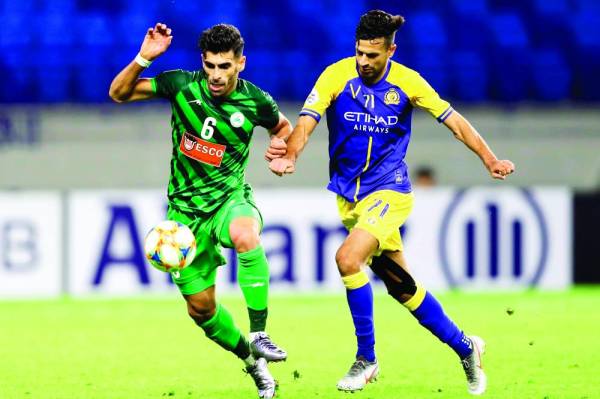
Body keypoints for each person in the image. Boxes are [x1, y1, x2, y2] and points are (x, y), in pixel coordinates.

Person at [267, 10, 515, 395]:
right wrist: (291, 156)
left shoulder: (408, 82)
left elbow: (455, 122)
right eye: (360, 53)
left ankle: (366, 359)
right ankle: (467, 347)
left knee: (347, 259)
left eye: (373, 55)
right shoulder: (335, 75)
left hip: (390, 190)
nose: (364, 62)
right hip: (350, 197)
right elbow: (307, 122)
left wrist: (490, 159)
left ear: (391, 51)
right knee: (403, 287)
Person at [109, 23, 291, 399]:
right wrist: (145, 57)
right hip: (184, 217)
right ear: (202, 63)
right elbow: (118, 93)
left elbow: (283, 126)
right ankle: (252, 360)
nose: (216, 76)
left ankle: (260, 332)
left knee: (245, 236)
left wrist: (281, 150)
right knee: (202, 311)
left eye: (224, 66)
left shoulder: (256, 101)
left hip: (229, 200)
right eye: (209, 66)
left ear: (241, 63)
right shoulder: (181, 85)